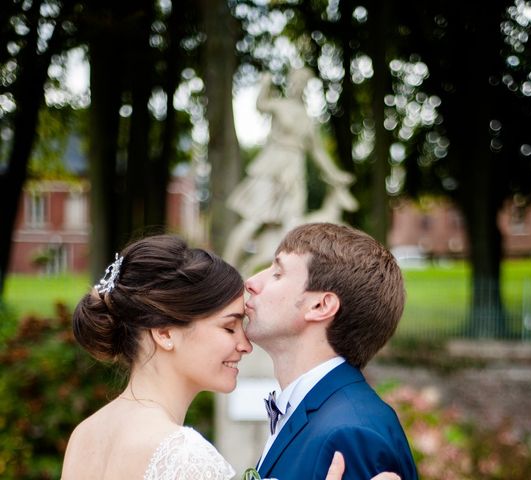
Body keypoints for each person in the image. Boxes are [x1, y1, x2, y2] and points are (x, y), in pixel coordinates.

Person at [61, 234, 400, 480]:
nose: (245, 344)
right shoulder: (184, 455)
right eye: (229, 327)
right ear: (164, 333)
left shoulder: (85, 435)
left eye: (278, 273)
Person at [245, 222, 418, 480]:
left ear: (320, 305)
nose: (251, 282)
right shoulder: (322, 413)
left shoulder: (351, 433)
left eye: (277, 274)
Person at [224, 68, 355, 270]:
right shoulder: (280, 105)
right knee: (251, 221)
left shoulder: (306, 118)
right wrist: (265, 84)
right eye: (296, 80)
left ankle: (287, 276)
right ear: (290, 82)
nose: (298, 85)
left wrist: (334, 174)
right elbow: (261, 105)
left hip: (294, 171)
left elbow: (318, 151)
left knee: (292, 225)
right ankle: (225, 271)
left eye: (303, 81)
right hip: (270, 168)